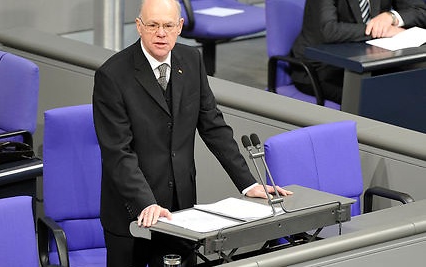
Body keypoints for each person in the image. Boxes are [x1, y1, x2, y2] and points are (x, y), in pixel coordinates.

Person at [92, 0, 293, 265]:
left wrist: (249, 184)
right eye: (153, 25)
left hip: (182, 211)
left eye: (168, 25)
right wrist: (146, 203)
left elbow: (213, 126)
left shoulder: (191, 60)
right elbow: (118, 153)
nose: (161, 33)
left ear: (180, 27)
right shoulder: (112, 76)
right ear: (139, 27)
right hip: (133, 214)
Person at [290, 0, 426, 104]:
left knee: (414, 86)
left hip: (369, 59)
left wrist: (392, 16)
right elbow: (328, 30)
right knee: (378, 98)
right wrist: (379, 31)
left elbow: (420, 11)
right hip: (322, 67)